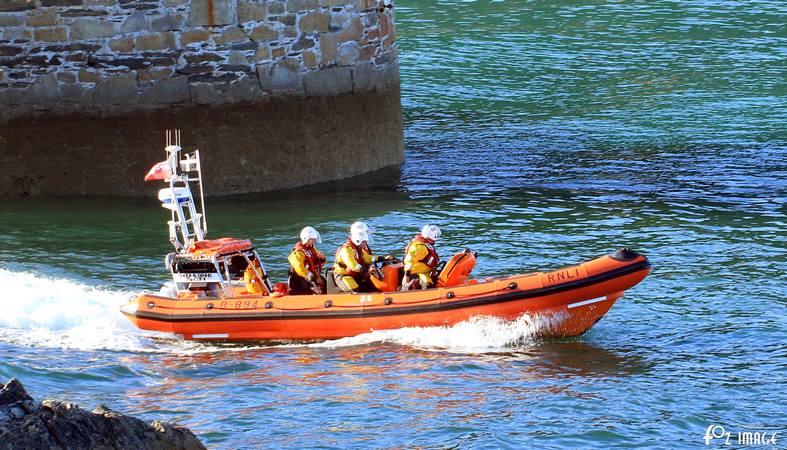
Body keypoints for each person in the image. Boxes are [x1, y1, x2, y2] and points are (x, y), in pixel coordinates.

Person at [333, 224, 382, 294]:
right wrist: (365, 270)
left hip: (353, 275)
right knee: (355, 291)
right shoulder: (346, 250)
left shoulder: (358, 249)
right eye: (364, 242)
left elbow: (367, 258)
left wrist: (381, 258)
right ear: (358, 240)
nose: (365, 244)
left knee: (366, 285)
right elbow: (353, 265)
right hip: (343, 276)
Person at [287, 226, 327, 294]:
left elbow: (318, 263)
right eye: (312, 239)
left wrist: (318, 276)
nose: (314, 240)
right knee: (317, 291)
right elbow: (300, 270)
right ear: (307, 239)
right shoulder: (298, 253)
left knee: (325, 282)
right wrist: (314, 278)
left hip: (310, 276)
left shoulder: (311, 249)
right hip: (301, 280)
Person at [402, 224, 441, 290]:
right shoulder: (419, 247)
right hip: (417, 273)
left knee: (430, 281)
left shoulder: (425, 245)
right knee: (427, 284)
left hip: (425, 272)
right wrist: (406, 276)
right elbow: (409, 261)